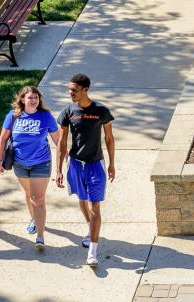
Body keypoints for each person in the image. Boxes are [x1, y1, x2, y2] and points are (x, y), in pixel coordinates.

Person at [56, 74, 115, 266]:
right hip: (75, 163)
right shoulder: (68, 111)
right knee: (82, 199)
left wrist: (112, 163)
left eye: (74, 90)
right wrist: (58, 169)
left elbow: (109, 138)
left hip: (95, 164)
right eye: (69, 89)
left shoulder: (101, 111)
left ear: (85, 90)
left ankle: (92, 251)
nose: (70, 93)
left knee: (95, 205)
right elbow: (62, 142)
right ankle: (91, 229)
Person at [0, 86, 60, 250]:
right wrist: (0, 159)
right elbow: (3, 139)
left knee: (38, 199)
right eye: (30, 97)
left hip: (41, 162)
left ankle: (40, 236)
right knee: (29, 193)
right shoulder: (14, 116)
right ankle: (33, 218)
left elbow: (59, 141)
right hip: (20, 163)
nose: (33, 100)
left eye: (36, 98)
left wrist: (63, 163)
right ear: (22, 99)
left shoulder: (46, 116)